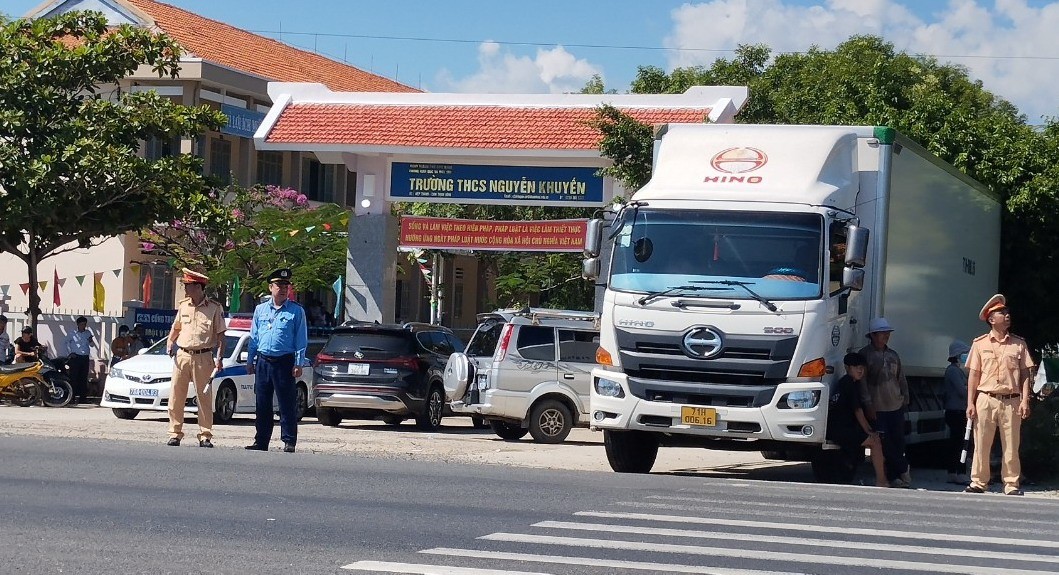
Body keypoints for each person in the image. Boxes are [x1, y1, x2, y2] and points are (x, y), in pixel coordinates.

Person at [964, 294, 1034, 496]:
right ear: (991, 319)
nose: (1007, 315)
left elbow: (1025, 374)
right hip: (986, 398)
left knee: (1012, 445)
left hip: (1011, 400)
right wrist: (970, 402)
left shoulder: (1018, 344)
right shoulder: (979, 343)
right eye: (1001, 313)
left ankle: (1011, 483)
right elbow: (974, 375)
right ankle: (978, 481)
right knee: (981, 443)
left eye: (1006, 312)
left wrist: (1024, 400)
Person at [246, 268, 308, 453]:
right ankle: (261, 441)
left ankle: (289, 441)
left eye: (285, 286)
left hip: (284, 361)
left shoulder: (296, 311)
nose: (282, 289)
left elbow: (301, 339)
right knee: (262, 404)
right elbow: (254, 337)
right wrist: (250, 359)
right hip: (264, 361)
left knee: (286, 403)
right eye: (278, 285)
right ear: (270, 287)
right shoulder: (260, 309)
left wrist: (299, 363)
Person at [164, 269, 226, 448]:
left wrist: (219, 358)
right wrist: (170, 342)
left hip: (203, 356)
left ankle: (205, 434)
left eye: (188, 285)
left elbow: (221, 336)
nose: (185, 289)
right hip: (182, 355)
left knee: (204, 397)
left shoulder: (214, 308)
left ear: (198, 287)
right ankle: (175, 433)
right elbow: (176, 328)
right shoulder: (183, 305)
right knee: (176, 396)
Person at [858, 317, 912, 488]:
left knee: (898, 442)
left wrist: (905, 399)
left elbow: (901, 378)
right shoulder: (865, 355)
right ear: (873, 335)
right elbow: (863, 383)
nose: (886, 336)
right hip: (877, 407)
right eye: (882, 333)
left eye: (887, 333)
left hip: (895, 406)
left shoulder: (893, 355)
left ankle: (897, 475)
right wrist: (868, 405)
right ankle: (899, 471)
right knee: (884, 443)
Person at [827, 352, 888, 487]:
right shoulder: (849, 383)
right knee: (875, 441)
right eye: (856, 367)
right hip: (840, 430)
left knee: (876, 439)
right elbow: (858, 411)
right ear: (847, 368)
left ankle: (881, 478)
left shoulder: (848, 382)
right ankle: (881, 481)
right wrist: (869, 431)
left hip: (841, 428)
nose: (860, 370)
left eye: (862, 367)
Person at [944, 340, 972, 484]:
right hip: (955, 411)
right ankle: (957, 472)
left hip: (958, 411)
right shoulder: (953, 371)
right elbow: (963, 391)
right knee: (959, 443)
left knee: (959, 442)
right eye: (964, 354)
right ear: (958, 355)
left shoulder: (957, 370)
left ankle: (954, 472)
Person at [64, 316, 95, 404]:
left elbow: (92, 345)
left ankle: (82, 398)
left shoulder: (88, 333)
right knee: (74, 377)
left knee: (83, 378)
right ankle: (72, 397)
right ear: (78, 324)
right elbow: (65, 342)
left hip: (85, 357)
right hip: (75, 357)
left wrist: (90, 340)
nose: (83, 326)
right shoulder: (72, 333)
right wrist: (69, 353)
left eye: (84, 324)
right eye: (81, 324)